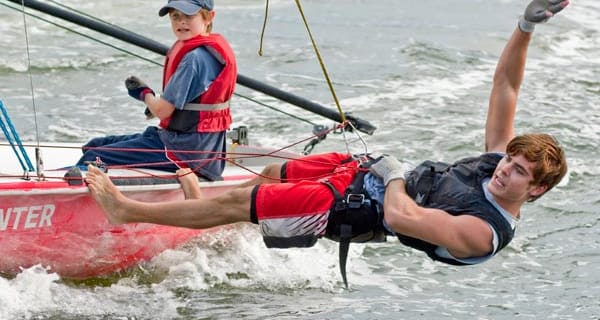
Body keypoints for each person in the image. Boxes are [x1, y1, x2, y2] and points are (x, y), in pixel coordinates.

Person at [85, 0, 569, 284]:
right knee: (273, 166)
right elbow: (505, 88)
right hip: (364, 172)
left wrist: (393, 169)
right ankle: (207, 189)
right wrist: (525, 26)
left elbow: (404, 217)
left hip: (349, 207)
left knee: (238, 201)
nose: (505, 169)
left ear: (537, 191)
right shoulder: (495, 165)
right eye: (510, 159)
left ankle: (129, 210)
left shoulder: (485, 232)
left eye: (520, 173)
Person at [75, 0, 237, 181]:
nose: (181, 22)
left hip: (186, 153)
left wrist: (144, 94)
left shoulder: (194, 59)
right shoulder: (204, 52)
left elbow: (162, 111)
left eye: (189, 15)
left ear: (209, 17)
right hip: (193, 145)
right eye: (175, 16)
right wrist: (155, 103)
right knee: (94, 146)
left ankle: (73, 194)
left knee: (93, 157)